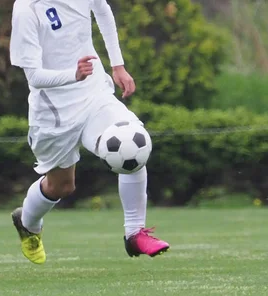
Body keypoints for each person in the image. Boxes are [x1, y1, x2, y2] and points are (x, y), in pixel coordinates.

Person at [9, 0, 170, 264]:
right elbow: (34, 77)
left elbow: (102, 9)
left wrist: (117, 64)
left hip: (94, 95)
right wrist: (72, 75)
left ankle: (134, 233)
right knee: (61, 186)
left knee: (130, 140)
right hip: (54, 113)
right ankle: (28, 223)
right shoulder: (26, 8)